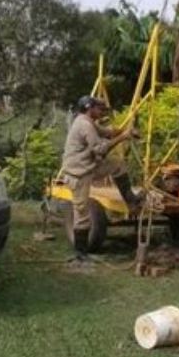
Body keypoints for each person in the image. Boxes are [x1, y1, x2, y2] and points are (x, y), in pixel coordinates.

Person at [61, 96, 141, 261]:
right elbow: (100, 149)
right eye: (98, 108)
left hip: (88, 166)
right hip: (79, 173)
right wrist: (123, 137)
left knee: (117, 165)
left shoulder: (87, 121)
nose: (101, 111)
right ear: (89, 108)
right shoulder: (84, 125)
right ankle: (81, 254)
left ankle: (131, 200)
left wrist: (126, 130)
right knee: (82, 213)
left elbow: (107, 132)